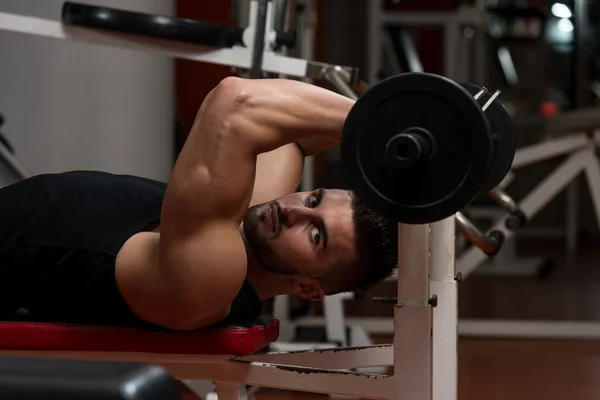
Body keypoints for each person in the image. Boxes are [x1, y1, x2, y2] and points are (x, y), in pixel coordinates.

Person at [0, 77, 397, 331]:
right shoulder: (252, 228)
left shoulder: (209, 282)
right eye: (314, 199)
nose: (297, 211)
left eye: (315, 235)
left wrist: (388, 121)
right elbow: (295, 133)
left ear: (308, 288)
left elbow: (236, 106)